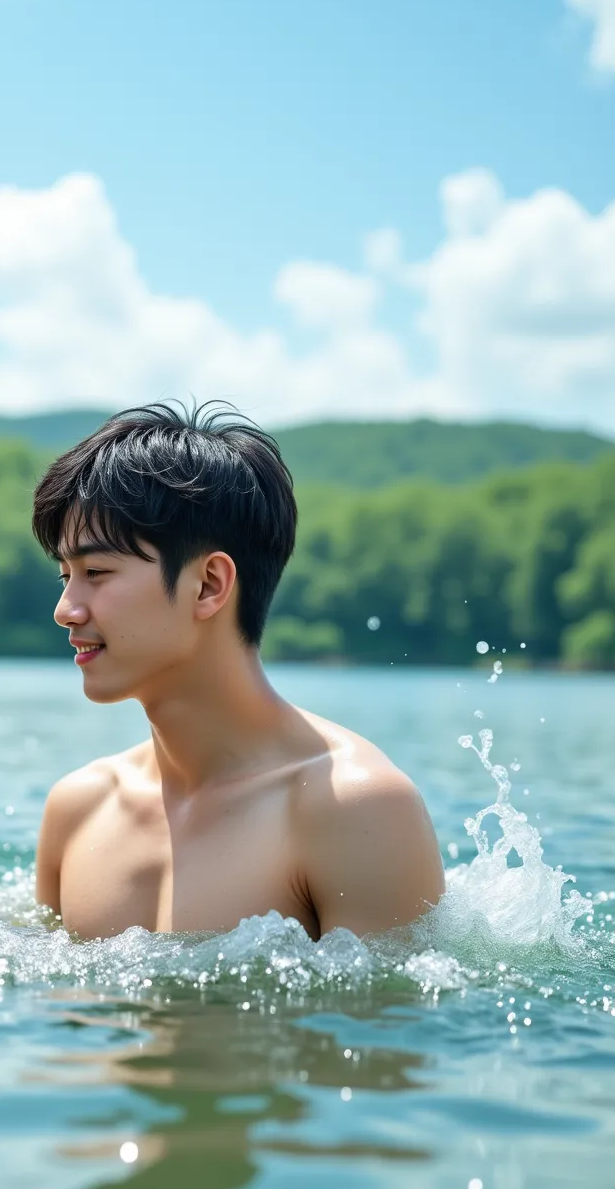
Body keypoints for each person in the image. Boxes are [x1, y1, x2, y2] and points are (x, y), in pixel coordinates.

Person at [31, 403, 444, 940]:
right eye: (65, 576)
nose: (66, 609)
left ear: (208, 585)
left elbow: (397, 1020)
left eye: (96, 572)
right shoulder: (78, 808)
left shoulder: (353, 809)